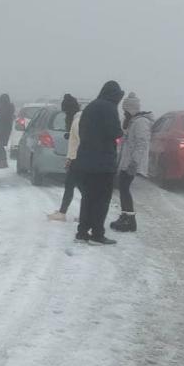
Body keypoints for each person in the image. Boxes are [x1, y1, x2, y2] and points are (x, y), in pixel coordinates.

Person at [74, 80, 125, 244]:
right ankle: (97, 233)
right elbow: (115, 132)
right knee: (101, 200)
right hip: (103, 162)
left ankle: (82, 233)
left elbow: (82, 131)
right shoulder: (109, 108)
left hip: (85, 160)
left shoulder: (91, 107)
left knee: (87, 197)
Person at [110, 92, 152, 232]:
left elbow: (142, 143)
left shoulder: (141, 122)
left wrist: (134, 163)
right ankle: (125, 216)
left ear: (130, 109)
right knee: (123, 189)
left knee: (125, 189)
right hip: (126, 161)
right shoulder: (133, 121)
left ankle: (130, 220)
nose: (123, 112)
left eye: (125, 110)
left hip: (131, 163)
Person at [47, 92, 82, 221]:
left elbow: (81, 141)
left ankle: (64, 213)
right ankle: (65, 212)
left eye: (66, 112)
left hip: (77, 159)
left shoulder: (77, 121)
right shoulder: (78, 119)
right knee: (72, 186)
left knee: (75, 187)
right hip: (76, 159)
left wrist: (71, 159)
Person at [0, 93, 14, 168]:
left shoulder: (6, 108)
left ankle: (3, 162)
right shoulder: (9, 107)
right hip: (4, 129)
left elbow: (4, 117)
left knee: (0, 145)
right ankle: (2, 161)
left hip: (3, 129)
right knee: (0, 145)